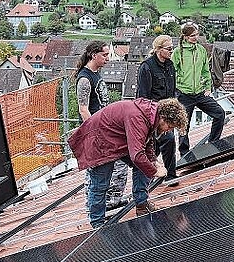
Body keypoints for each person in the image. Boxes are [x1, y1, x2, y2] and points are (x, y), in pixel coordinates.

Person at [67, 98, 188, 228]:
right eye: (169, 127)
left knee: (145, 165)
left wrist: (153, 161)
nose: (167, 131)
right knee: (100, 184)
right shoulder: (138, 117)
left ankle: (142, 205)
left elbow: (147, 141)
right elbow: (136, 155)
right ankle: (98, 224)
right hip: (99, 141)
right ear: (163, 118)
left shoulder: (151, 115)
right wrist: (154, 171)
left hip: (117, 140)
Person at [74, 40, 129, 208]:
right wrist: (95, 133)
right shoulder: (84, 78)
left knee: (113, 165)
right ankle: (96, 203)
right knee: (100, 167)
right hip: (96, 131)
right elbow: (83, 109)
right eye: (104, 55)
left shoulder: (96, 73)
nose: (108, 58)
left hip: (105, 128)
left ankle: (112, 199)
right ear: (94, 55)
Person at [172, 22, 226, 156]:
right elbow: (172, 71)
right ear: (185, 37)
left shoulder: (201, 50)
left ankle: (213, 143)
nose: (195, 37)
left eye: (197, 34)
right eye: (192, 35)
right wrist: (176, 89)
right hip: (184, 94)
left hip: (201, 93)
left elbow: (205, 71)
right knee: (184, 125)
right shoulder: (178, 52)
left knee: (220, 113)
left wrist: (208, 87)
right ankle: (185, 154)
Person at [137, 35, 179, 186]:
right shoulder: (146, 67)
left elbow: (173, 89)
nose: (171, 51)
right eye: (168, 49)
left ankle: (170, 175)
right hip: (152, 114)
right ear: (158, 49)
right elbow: (142, 95)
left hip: (167, 113)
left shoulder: (170, 65)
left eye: (172, 48)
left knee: (165, 144)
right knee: (158, 144)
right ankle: (152, 176)